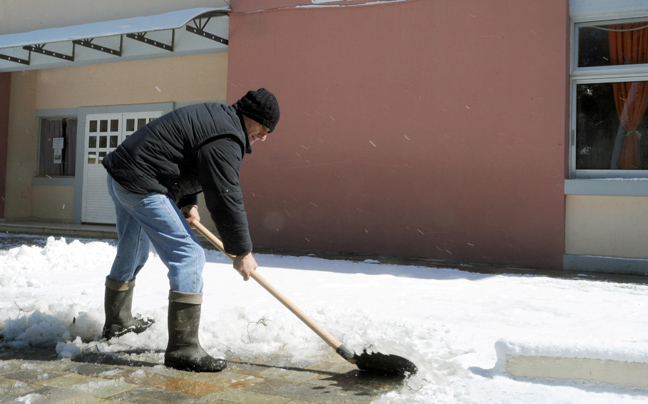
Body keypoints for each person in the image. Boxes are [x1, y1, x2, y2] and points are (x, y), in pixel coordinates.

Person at [100, 88, 280, 373]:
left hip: (123, 173)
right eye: (264, 128)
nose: (265, 136)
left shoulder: (219, 118)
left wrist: (186, 201)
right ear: (251, 117)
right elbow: (225, 195)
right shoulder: (227, 138)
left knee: (133, 249)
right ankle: (184, 350)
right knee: (189, 255)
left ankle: (118, 321)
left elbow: (183, 157)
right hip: (139, 181)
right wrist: (241, 250)